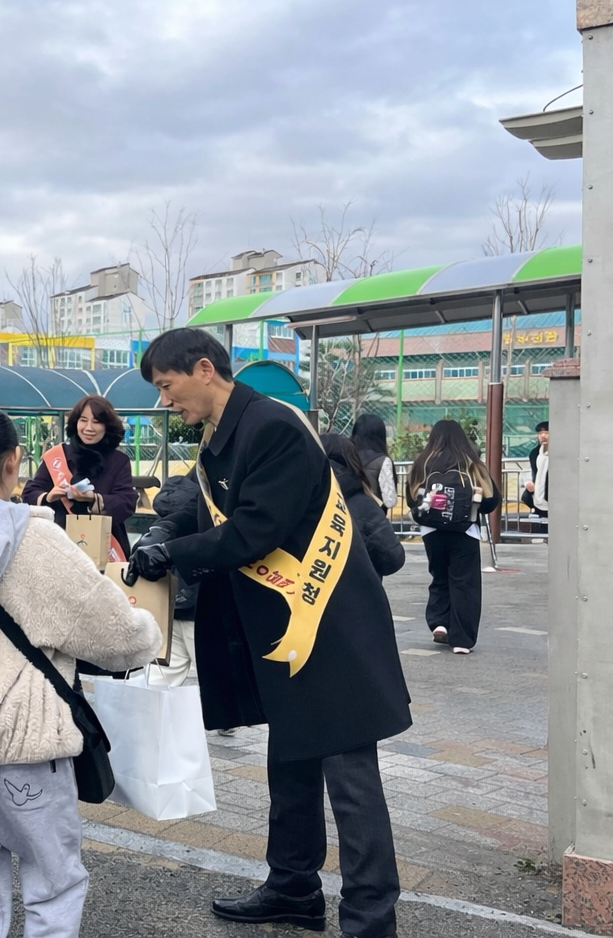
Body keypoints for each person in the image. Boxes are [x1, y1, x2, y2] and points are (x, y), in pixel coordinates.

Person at [127, 328, 410, 938]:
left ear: (204, 370)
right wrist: (159, 534)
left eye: (167, 386)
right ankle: (294, 888)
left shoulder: (271, 427)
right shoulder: (224, 433)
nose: (165, 401)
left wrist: (173, 554)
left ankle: (370, 918)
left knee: (348, 775)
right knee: (291, 761)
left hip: (328, 628)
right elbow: (203, 508)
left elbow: (255, 529)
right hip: (288, 630)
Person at [0, 403, 161, 938]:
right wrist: (147, 631)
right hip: (26, 751)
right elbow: (117, 638)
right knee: (53, 886)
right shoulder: (37, 541)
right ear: (15, 461)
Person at [407, 419, 500, 655]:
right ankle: (462, 640)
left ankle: (439, 622)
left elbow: (411, 501)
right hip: (465, 531)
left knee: (439, 576)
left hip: (431, 531)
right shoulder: (471, 464)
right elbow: (491, 501)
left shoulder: (422, 463)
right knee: (464, 582)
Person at [22, 394, 138, 557]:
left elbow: (126, 502)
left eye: (96, 421)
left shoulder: (119, 461)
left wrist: (93, 499)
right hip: (59, 546)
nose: (88, 427)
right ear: (75, 422)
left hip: (104, 549)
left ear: (107, 426)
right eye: (83, 420)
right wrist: (48, 496)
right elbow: (29, 494)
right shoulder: (57, 456)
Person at [133, 472, 201, 688]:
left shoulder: (157, 531)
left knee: (159, 678)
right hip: (198, 608)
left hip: (164, 609)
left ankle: (151, 718)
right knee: (212, 683)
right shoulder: (201, 521)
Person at [322, 434, 406, 578]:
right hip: (361, 593)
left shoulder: (296, 502)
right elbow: (392, 558)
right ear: (353, 461)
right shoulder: (365, 506)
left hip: (309, 594)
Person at [350, 412, 398, 512]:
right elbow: (390, 500)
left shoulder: (346, 457)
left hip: (346, 519)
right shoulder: (382, 461)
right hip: (374, 518)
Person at [522, 421, 549, 518]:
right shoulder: (535, 453)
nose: (543, 436)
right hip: (538, 496)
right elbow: (532, 471)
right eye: (540, 433)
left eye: (546, 433)